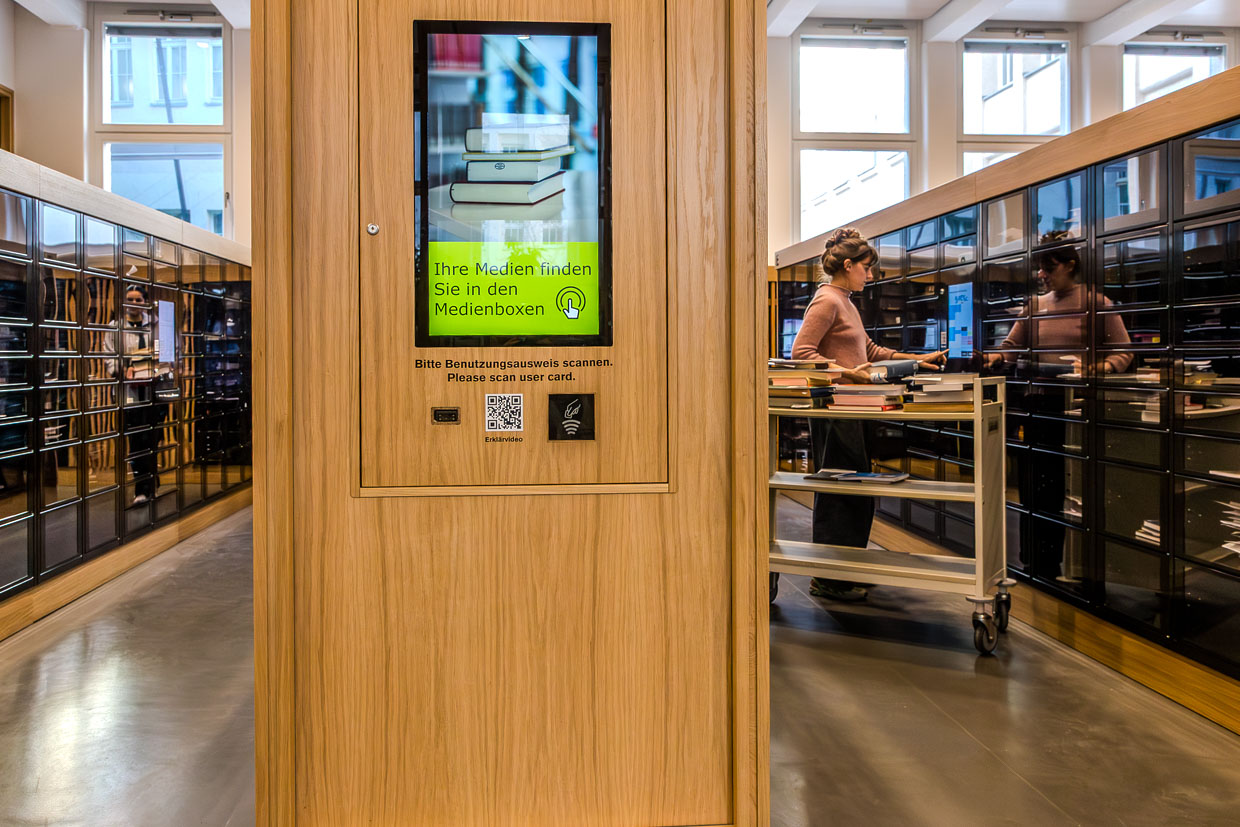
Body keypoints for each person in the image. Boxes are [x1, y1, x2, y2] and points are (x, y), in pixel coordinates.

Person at [791, 228, 947, 601]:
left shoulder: (845, 300)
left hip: (852, 406)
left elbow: (869, 350)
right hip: (834, 408)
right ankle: (829, 578)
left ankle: (844, 571)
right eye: (867, 268)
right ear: (848, 266)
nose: (872, 275)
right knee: (841, 492)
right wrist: (847, 373)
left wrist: (915, 359)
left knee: (853, 491)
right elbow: (802, 352)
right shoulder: (827, 300)